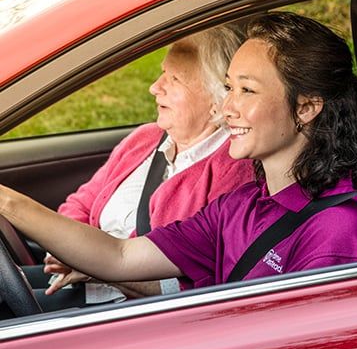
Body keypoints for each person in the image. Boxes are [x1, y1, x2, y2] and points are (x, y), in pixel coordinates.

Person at [0, 11, 357, 296]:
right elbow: (118, 256)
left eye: (246, 91)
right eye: (228, 87)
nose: (228, 107)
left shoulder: (336, 232)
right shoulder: (242, 205)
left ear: (305, 108)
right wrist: (7, 202)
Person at [22, 24, 254, 308]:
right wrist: (68, 252)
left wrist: (98, 266)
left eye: (174, 79)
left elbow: (204, 285)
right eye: (161, 73)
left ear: (218, 101)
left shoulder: (234, 172)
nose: (155, 87)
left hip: (133, 313)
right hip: (79, 283)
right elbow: (79, 204)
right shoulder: (145, 139)